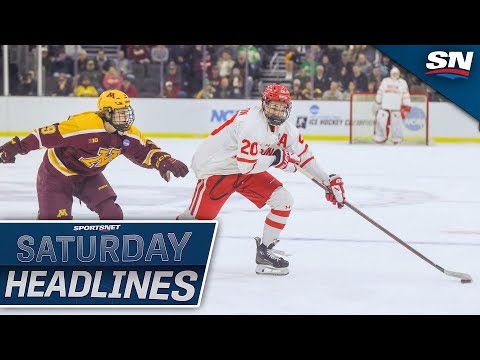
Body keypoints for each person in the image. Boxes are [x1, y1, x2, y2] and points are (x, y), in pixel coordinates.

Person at [177, 83, 346, 276]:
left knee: (283, 201)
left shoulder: (286, 129)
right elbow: (246, 165)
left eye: (282, 107)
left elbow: (304, 155)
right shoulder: (251, 124)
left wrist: (327, 181)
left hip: (245, 169)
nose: (278, 111)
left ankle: (265, 252)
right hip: (218, 168)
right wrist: (277, 159)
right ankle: (165, 250)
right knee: (198, 220)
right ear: (264, 104)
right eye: (274, 106)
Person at [0, 90, 189, 220]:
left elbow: (144, 150)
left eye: (127, 112)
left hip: (89, 176)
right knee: (55, 228)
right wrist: (16, 147)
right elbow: (43, 135)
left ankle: (106, 255)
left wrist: (163, 159)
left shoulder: (127, 132)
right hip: (56, 175)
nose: (127, 118)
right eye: (121, 113)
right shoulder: (83, 126)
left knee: (112, 215)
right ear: (106, 113)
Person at [373, 67, 411, 144]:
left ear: (399, 74)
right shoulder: (385, 81)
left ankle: (396, 139)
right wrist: (377, 101)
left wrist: (407, 107)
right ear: (390, 74)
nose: (395, 75)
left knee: (396, 126)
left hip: (396, 109)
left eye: (396, 74)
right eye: (393, 73)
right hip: (384, 108)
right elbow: (380, 92)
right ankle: (380, 137)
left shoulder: (402, 83)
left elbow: (406, 95)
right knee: (381, 123)